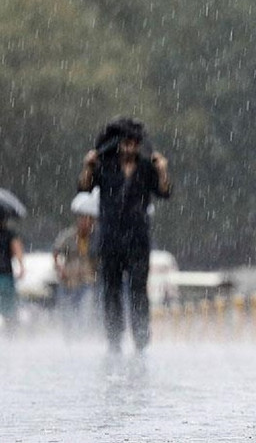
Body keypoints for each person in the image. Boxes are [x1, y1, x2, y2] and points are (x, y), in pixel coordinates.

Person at [78, 116, 171, 354]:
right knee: (111, 290)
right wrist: (88, 166)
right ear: (118, 143)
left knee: (139, 289)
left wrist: (162, 171)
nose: (130, 147)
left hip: (138, 238)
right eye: (126, 143)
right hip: (110, 237)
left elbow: (165, 192)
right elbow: (83, 187)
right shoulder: (103, 165)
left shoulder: (147, 167)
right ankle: (114, 338)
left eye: (134, 143)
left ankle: (141, 338)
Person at [52, 209, 98, 341]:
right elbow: (56, 251)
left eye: (89, 220)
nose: (85, 223)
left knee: (85, 313)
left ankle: (81, 339)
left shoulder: (95, 238)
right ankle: (69, 340)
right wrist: (59, 268)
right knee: (67, 314)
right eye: (83, 219)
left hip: (87, 281)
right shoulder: (69, 236)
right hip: (69, 281)